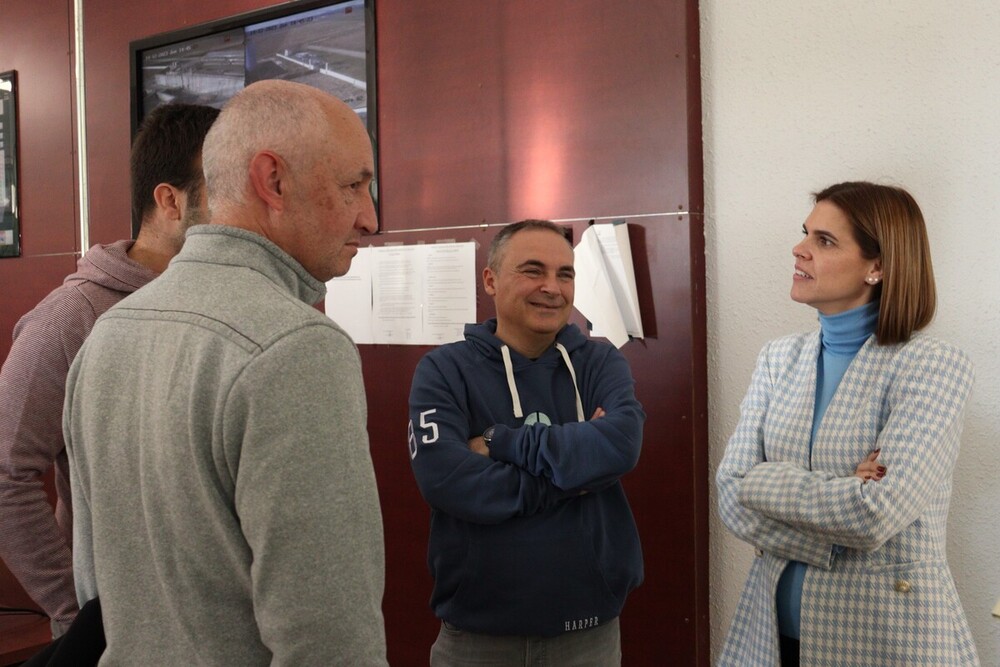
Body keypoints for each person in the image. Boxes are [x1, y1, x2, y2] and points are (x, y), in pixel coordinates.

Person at [62, 80, 387, 664]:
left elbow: (98, 588)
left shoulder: (109, 333)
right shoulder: (296, 347)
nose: (370, 217)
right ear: (274, 181)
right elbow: (330, 639)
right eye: (354, 185)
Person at [716, 181, 979, 666]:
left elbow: (874, 513)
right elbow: (731, 495)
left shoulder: (932, 365)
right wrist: (840, 492)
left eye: (825, 240)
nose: (799, 249)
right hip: (771, 640)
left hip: (887, 640)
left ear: (877, 266)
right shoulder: (778, 358)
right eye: (806, 234)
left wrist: (765, 480)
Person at [0, 102, 218, 637]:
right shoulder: (72, 316)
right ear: (169, 200)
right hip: (116, 634)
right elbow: (4, 472)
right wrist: (77, 611)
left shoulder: (221, 303)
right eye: (224, 189)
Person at [408, 219, 645, 666]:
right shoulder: (443, 371)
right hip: (478, 636)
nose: (552, 288)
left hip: (588, 633)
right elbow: (449, 482)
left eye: (565, 274)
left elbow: (621, 446)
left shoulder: (599, 361)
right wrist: (575, 475)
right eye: (533, 271)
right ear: (491, 280)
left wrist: (500, 442)